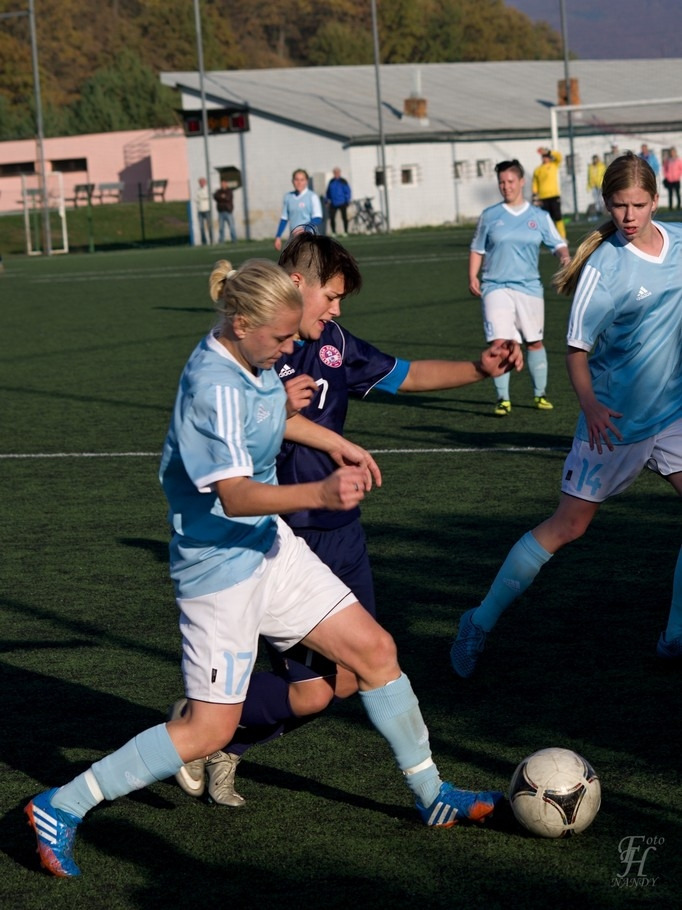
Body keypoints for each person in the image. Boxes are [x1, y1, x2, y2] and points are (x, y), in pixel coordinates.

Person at [25, 257, 504, 878]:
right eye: (280, 338)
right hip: (219, 568)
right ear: (242, 323)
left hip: (270, 546)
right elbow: (235, 495)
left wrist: (336, 441)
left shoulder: (252, 360)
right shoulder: (213, 386)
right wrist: (320, 491)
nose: (288, 349)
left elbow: (273, 416)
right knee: (207, 730)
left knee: (374, 651)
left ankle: (432, 795)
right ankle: (61, 805)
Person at [169, 232, 523, 807]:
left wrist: (478, 370)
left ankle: (220, 737)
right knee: (312, 693)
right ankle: (202, 725)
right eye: (331, 296)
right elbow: (225, 437)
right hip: (289, 540)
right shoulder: (257, 352)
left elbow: (405, 374)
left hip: (344, 533)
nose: (336, 310)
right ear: (296, 284)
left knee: (353, 676)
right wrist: (276, 405)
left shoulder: (335, 343)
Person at [451, 152, 682, 679]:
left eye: (638, 205)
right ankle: (478, 621)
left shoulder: (678, 242)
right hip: (615, 420)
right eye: (618, 205)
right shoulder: (604, 270)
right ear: (606, 204)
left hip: (671, 412)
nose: (628, 216)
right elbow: (576, 351)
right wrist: (591, 406)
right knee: (569, 525)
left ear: (656, 201)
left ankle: (675, 635)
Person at [469, 159, 569, 417]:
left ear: (522, 182)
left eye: (510, 181)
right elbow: (477, 248)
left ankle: (540, 394)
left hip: (528, 288)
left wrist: (564, 258)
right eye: (501, 182)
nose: (506, 186)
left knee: (534, 342)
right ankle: (503, 398)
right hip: (495, 286)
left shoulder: (539, 216)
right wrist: (472, 276)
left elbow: (557, 243)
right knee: (500, 342)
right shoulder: (490, 215)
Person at [274, 169, 323, 251]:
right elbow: (284, 219)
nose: (299, 182)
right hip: (294, 238)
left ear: (306, 181)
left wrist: (304, 228)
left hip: (308, 238)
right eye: (296, 179)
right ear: (292, 181)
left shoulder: (312, 196)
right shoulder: (288, 197)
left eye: (302, 180)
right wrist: (278, 236)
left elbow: (318, 218)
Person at [532, 147, 567, 239]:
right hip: (543, 197)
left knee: (558, 217)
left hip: (554, 196)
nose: (545, 158)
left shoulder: (554, 165)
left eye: (546, 156)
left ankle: (562, 237)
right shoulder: (537, 169)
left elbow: (559, 156)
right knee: (547, 219)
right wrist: (535, 195)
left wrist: (549, 151)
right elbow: (535, 183)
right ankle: (550, 237)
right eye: (543, 156)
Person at [325, 167, 352, 235]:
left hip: (342, 202)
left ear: (340, 173)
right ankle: (334, 232)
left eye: (337, 172)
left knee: (344, 217)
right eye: (335, 172)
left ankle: (345, 231)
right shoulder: (331, 181)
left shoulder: (343, 181)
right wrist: (326, 200)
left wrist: (347, 200)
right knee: (332, 218)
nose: (336, 174)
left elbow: (348, 191)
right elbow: (328, 192)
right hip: (333, 203)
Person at [213, 177, 237, 243]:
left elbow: (228, 198)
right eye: (222, 184)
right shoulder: (219, 191)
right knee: (221, 228)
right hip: (221, 211)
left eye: (224, 183)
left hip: (228, 211)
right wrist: (221, 196)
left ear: (226, 184)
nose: (223, 185)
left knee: (231, 227)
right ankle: (221, 240)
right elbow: (215, 196)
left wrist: (221, 197)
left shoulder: (229, 191)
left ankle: (234, 240)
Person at [586, 154, 606, 220]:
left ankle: (602, 210)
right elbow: (589, 177)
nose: (595, 160)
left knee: (601, 198)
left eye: (596, 159)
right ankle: (598, 211)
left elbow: (603, 175)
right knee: (596, 199)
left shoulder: (602, 166)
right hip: (593, 185)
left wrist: (602, 183)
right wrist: (588, 186)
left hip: (600, 185)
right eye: (594, 159)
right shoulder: (590, 167)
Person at [195, 177, 212, 245]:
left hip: (207, 210)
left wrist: (202, 198)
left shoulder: (208, 189)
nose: (201, 183)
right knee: (201, 227)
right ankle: (204, 241)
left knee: (209, 226)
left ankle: (212, 239)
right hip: (200, 210)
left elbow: (208, 197)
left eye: (202, 182)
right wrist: (202, 198)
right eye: (200, 182)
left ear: (205, 182)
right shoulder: (198, 190)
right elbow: (196, 199)